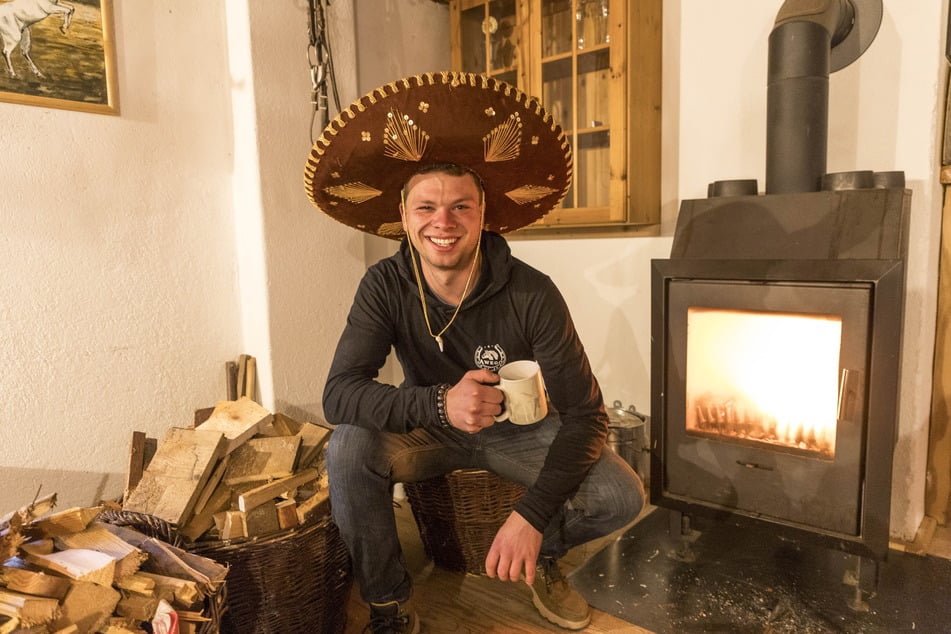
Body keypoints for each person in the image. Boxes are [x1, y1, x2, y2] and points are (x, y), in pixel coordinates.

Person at [304, 71, 645, 634]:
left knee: (621, 496)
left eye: (461, 207)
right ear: (405, 217)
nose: (443, 222)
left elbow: (588, 416)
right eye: (427, 208)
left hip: (519, 431)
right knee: (347, 447)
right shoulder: (385, 285)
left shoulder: (531, 290)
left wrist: (533, 517)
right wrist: (440, 404)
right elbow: (339, 394)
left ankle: (545, 557)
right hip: (431, 428)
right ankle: (389, 608)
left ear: (484, 216)